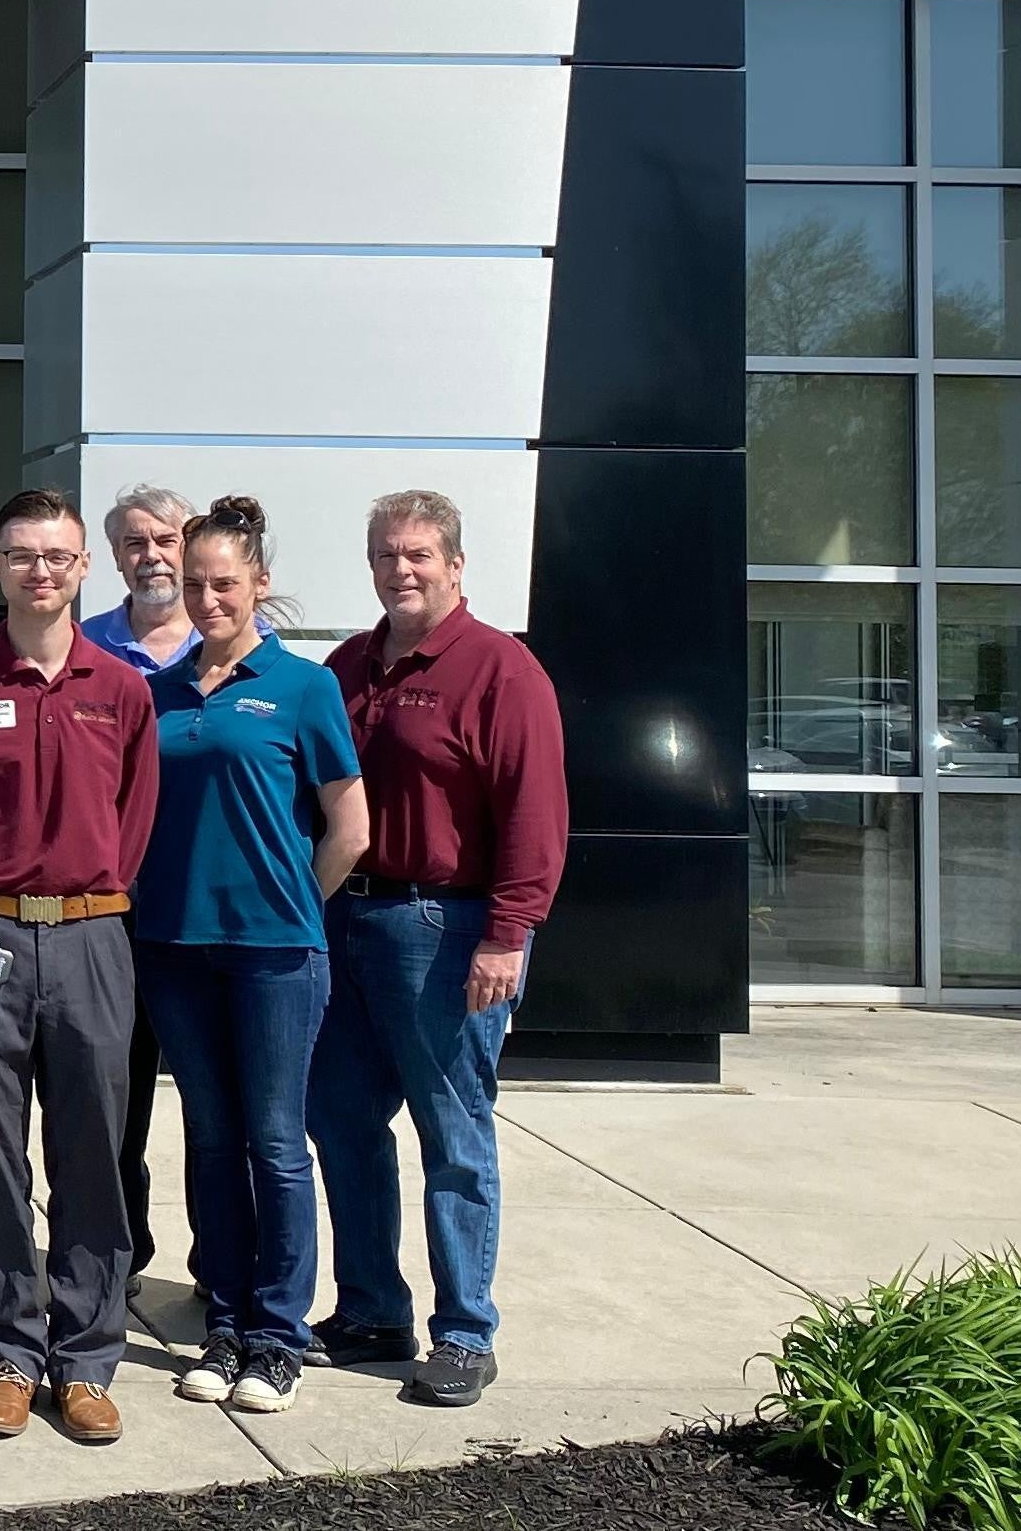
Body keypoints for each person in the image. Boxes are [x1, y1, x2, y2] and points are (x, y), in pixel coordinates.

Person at [305, 489, 566, 1410]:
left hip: (445, 932)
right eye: (386, 556)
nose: (400, 570)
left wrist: (509, 935)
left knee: (453, 1137)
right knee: (340, 1122)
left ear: (456, 563)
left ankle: (464, 1333)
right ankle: (372, 1309)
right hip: (346, 927)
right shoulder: (348, 666)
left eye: (418, 555)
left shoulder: (501, 670)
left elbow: (535, 816)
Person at [0, 489, 159, 1445]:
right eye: (23, 555)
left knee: (93, 1149)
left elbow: (136, 820)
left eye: (58, 555)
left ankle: (90, 1359)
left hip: (95, 935)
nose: (41, 571)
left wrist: (90, 899)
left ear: (83, 567)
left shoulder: (122, 690)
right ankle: (13, 1353)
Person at [123, 496, 367, 1415]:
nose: (209, 598)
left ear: (260, 584)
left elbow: (350, 825)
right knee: (212, 1139)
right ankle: (222, 1321)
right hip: (174, 949)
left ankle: (276, 1337)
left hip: (274, 954)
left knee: (274, 1142)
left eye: (225, 582)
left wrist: (299, 900)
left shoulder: (304, 688)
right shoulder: (158, 692)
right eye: (195, 585)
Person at [78, 485, 201, 1283]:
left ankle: (225, 1264)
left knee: (218, 1109)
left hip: (202, 913)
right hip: (108, 914)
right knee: (109, 1103)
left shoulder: (237, 647)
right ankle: (118, 1258)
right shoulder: (83, 647)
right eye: (133, 542)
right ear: (113, 556)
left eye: (165, 539)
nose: (151, 554)